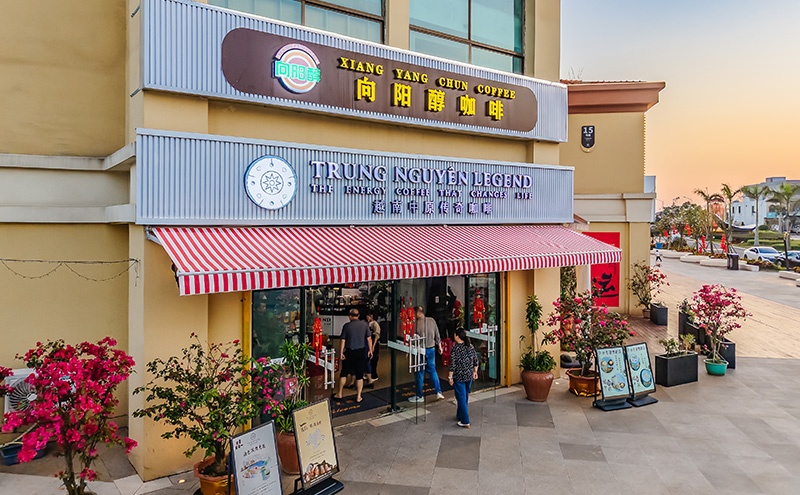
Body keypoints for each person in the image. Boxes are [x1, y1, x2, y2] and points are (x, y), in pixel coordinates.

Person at [334, 309, 371, 403]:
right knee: (359, 375)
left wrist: (341, 352)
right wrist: (370, 350)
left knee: (344, 373)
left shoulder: (346, 326)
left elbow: (343, 340)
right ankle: (358, 396)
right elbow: (369, 339)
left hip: (349, 352)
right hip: (361, 352)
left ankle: (340, 393)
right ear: (358, 316)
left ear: (350, 316)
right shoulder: (364, 325)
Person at [410, 305, 444, 403]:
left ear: (417, 313)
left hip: (421, 350)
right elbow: (437, 334)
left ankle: (419, 395)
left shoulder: (415, 324)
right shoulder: (431, 320)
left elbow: (413, 339)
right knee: (432, 371)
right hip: (431, 348)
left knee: (419, 372)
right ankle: (438, 392)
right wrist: (440, 346)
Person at [448, 327, 479, 428]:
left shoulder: (455, 349)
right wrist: (475, 371)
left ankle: (465, 421)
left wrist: (450, 377)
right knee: (464, 396)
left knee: (461, 398)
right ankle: (460, 414)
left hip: (459, 377)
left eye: (455, 335)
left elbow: (452, 365)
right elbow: (475, 360)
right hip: (469, 375)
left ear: (457, 336)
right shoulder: (470, 346)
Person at [365, 312, 380, 385]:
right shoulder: (366, 323)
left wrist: (373, 346)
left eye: (368, 316)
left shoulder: (375, 324)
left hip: (374, 343)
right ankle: (368, 373)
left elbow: (376, 336)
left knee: (374, 360)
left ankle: (374, 375)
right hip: (368, 343)